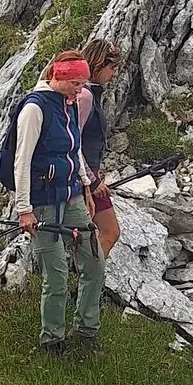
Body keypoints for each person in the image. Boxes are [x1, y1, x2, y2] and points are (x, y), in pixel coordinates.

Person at [13, 50, 104, 357]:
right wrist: (23, 208)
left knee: (94, 262)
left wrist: (86, 186)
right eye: (76, 83)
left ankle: (86, 330)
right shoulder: (34, 109)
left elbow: (74, 149)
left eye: (83, 83)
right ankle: (52, 339)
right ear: (60, 77)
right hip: (43, 202)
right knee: (57, 274)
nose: (81, 90)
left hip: (72, 194)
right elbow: (21, 160)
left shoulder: (69, 103)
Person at [75, 39, 124, 257]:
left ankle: (82, 282)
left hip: (87, 175)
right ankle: (86, 283)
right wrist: (92, 180)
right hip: (84, 178)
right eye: (111, 68)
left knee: (91, 233)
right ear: (98, 65)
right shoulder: (84, 96)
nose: (113, 74)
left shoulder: (89, 93)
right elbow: (73, 140)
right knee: (109, 231)